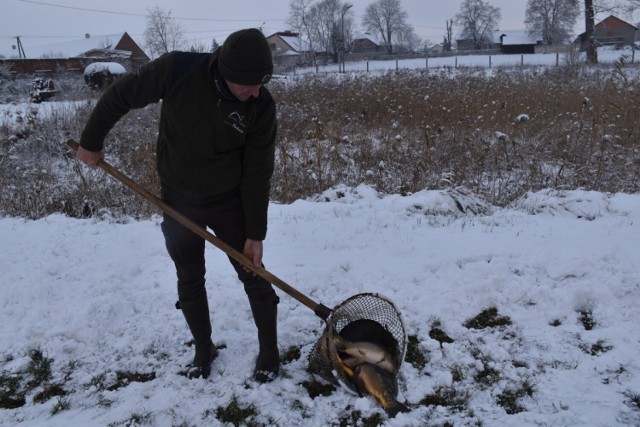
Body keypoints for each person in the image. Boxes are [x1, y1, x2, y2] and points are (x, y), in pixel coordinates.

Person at [75, 28, 280, 383]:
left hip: (229, 201)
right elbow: (120, 96)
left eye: (262, 83)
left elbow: (258, 173)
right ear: (226, 70)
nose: (255, 91)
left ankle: (269, 350)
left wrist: (254, 233)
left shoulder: (261, 106)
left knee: (253, 272)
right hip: (178, 200)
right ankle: (204, 348)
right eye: (248, 83)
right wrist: (91, 141)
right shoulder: (177, 70)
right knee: (189, 276)